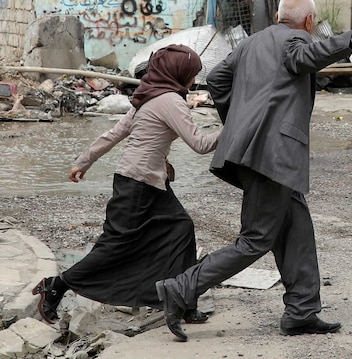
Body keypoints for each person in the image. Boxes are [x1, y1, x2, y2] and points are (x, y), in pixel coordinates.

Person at [155, 0, 352, 343]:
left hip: (255, 153)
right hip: (272, 157)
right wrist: (349, 38)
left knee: (297, 227)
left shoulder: (250, 44)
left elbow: (216, 80)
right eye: (311, 25)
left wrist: (240, 121)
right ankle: (179, 289)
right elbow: (307, 55)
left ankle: (302, 311)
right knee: (256, 239)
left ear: (277, 16)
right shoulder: (296, 41)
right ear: (307, 22)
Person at [31, 45, 220, 325]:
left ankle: (182, 300)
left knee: (181, 228)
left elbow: (115, 133)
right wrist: (235, 127)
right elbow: (201, 144)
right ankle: (56, 286)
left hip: (147, 181)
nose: (194, 79)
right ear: (179, 74)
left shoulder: (149, 95)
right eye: (192, 74)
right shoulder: (170, 100)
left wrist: (83, 161)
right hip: (138, 185)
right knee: (114, 246)